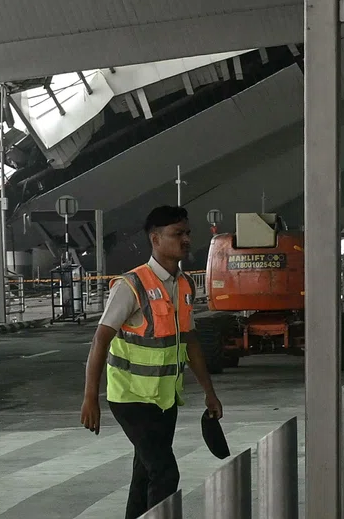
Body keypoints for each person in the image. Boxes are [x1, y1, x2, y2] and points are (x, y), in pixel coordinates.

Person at [81, 205, 223, 519]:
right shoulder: (131, 285)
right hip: (131, 399)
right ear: (155, 239)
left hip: (164, 399)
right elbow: (100, 340)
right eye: (177, 234)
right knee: (165, 473)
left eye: (187, 233)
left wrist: (209, 393)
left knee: (145, 473)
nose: (186, 239)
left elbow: (190, 342)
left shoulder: (185, 285)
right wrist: (91, 397)